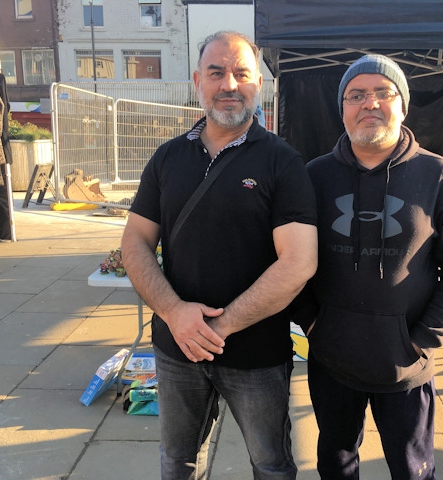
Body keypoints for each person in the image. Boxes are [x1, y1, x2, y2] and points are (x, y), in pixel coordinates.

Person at [121, 31, 318, 480]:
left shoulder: (282, 162)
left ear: (259, 86)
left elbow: (299, 262)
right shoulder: (167, 158)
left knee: (271, 465)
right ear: (197, 82)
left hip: (256, 355)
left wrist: (217, 327)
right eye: (216, 72)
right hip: (175, 350)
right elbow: (133, 242)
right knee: (177, 463)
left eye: (241, 73)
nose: (229, 84)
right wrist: (174, 313)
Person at [294, 54, 443, 479]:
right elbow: (291, 258)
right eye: (356, 95)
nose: (370, 103)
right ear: (342, 108)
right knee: (336, 463)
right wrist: (313, 325)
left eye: (383, 93)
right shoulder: (314, 176)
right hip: (332, 357)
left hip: (405, 363)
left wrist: (424, 338)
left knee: (413, 470)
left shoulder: (438, 175)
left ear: (403, 104)